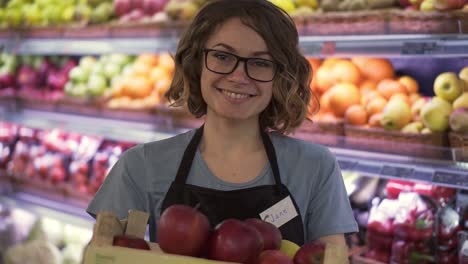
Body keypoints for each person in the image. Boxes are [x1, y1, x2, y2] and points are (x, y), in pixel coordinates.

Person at [87, 0, 358, 247]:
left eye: (260, 62)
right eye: (222, 56)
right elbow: (101, 254)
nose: (239, 76)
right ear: (196, 63)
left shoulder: (315, 167)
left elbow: (332, 257)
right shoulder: (141, 166)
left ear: (281, 77)